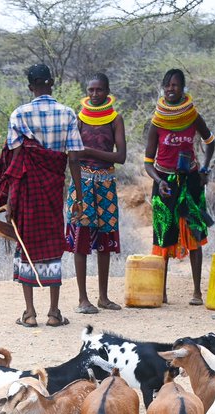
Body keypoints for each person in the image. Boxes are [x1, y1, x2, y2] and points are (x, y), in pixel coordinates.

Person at [0, 63, 84, 328]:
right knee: (53, 244)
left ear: (30, 86)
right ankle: (54, 313)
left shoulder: (19, 115)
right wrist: (78, 193)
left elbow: (16, 161)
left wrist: (10, 200)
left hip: (27, 190)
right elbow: (74, 157)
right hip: (54, 188)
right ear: (52, 83)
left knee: (26, 244)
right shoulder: (67, 114)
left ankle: (30, 313)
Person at [144, 68, 215, 305]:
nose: (170, 89)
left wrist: (204, 168)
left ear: (183, 88)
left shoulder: (192, 116)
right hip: (165, 184)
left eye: (175, 85)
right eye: (167, 85)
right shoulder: (157, 122)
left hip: (191, 181)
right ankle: (161, 293)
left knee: (194, 232)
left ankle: (197, 292)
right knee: (164, 235)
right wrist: (159, 180)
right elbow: (147, 162)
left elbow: (210, 141)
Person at [66, 73, 126, 314]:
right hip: (81, 184)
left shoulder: (115, 119)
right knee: (80, 239)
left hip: (106, 184)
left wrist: (87, 150)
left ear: (107, 91)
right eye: (90, 90)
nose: (94, 94)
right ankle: (83, 298)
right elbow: (72, 154)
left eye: (99, 90)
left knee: (105, 241)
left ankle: (103, 297)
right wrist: (82, 155)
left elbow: (120, 157)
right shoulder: (78, 118)